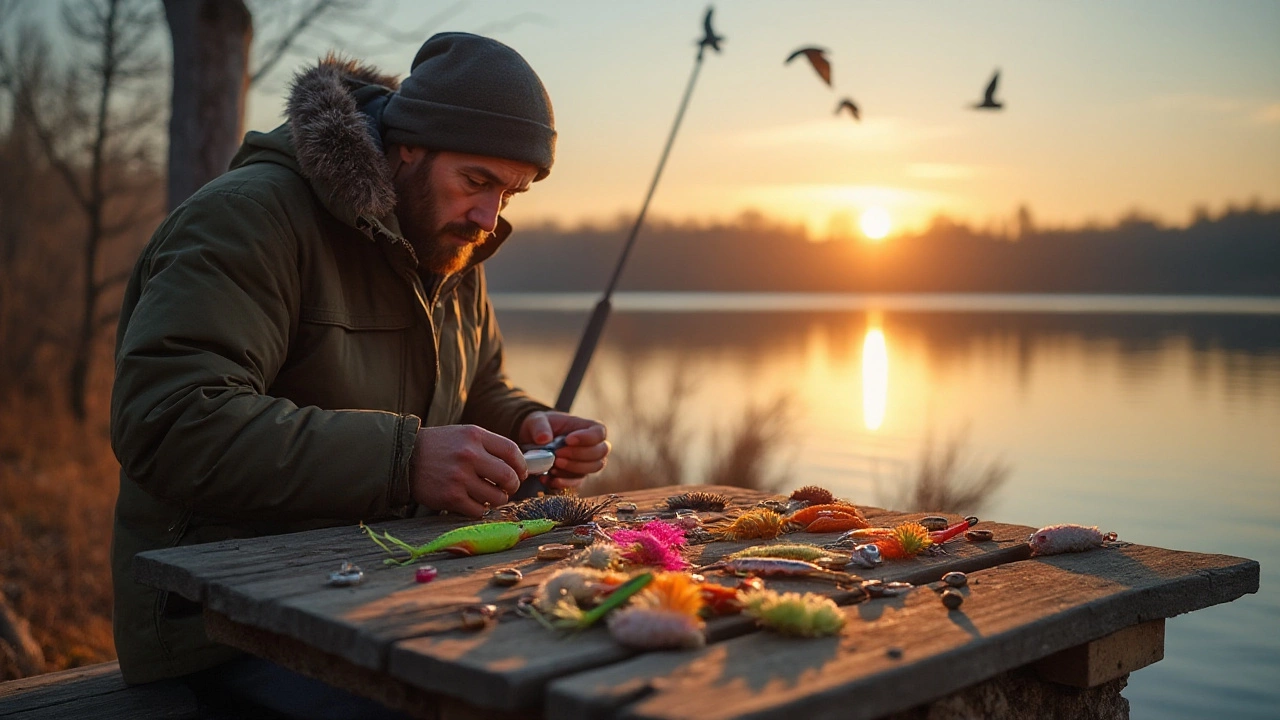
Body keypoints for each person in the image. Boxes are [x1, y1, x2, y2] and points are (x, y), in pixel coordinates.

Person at [109, 33, 609, 716]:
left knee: (580, 668)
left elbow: (478, 384)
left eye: (511, 194)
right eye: (477, 181)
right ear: (409, 146)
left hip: (382, 590)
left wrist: (527, 425)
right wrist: (405, 461)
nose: (490, 219)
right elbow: (168, 422)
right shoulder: (248, 219)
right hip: (222, 627)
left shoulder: (452, 242)